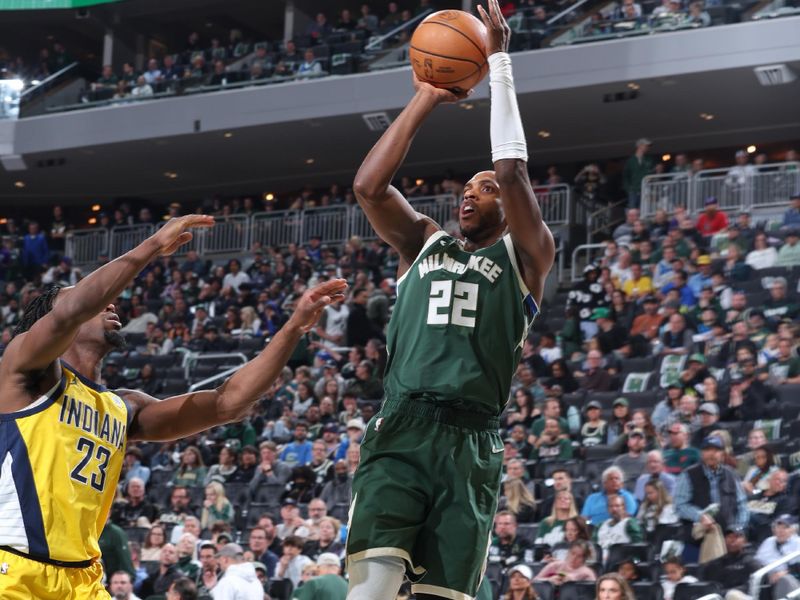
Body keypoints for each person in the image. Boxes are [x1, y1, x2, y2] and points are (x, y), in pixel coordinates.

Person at [0, 215, 346, 599]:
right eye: (84, 294)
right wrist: (151, 247)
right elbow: (73, 310)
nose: (109, 301)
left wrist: (293, 329)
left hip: (83, 579)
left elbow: (226, 404)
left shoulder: (123, 407)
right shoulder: (25, 373)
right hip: (14, 567)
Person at [345, 4, 555, 599]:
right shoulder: (422, 243)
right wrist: (425, 98)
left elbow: (512, 171)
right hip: (403, 427)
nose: (471, 195)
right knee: (373, 589)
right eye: (465, 189)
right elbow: (368, 188)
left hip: (472, 442)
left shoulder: (526, 256)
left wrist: (499, 64)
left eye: (481, 190)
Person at [674, 436, 749, 563]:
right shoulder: (688, 475)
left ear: (722, 454)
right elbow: (680, 505)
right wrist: (700, 516)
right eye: (707, 450)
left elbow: (742, 505)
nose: (711, 454)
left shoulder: (731, 474)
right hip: (697, 541)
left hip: (728, 540)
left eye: (716, 450)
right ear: (702, 453)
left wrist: (738, 528)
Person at [755, 515, 800, 599]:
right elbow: (758, 561)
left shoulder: (798, 542)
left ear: (793, 529)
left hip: (791, 577)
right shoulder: (768, 541)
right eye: (778, 527)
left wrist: (785, 572)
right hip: (768, 577)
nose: (781, 531)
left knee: (785, 580)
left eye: (785, 527)